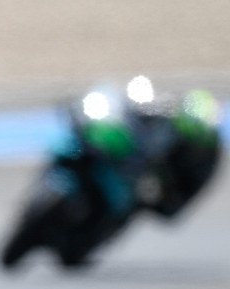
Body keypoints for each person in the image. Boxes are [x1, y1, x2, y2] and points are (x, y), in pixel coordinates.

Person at [52, 76, 222, 258]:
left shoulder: (204, 157)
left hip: (147, 186)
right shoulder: (166, 111)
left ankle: (92, 239)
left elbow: (182, 197)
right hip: (123, 157)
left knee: (126, 206)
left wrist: (160, 192)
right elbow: (134, 105)